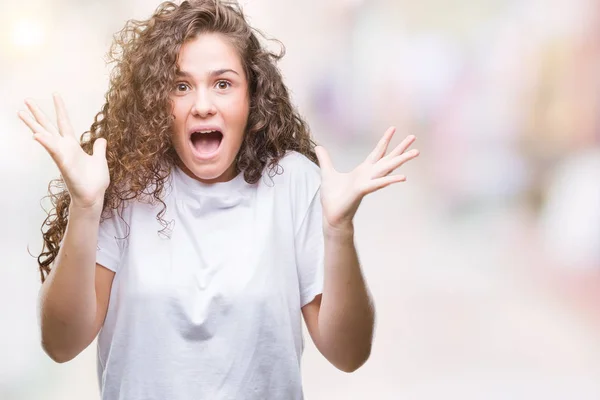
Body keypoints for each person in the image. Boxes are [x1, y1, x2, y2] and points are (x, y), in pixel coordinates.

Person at [17, 1, 419, 399]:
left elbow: (348, 354)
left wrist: (339, 230)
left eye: (223, 84)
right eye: (181, 86)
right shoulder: (126, 184)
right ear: (157, 99)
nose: (203, 105)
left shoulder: (295, 182)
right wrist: (85, 209)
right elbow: (61, 344)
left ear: (252, 97)